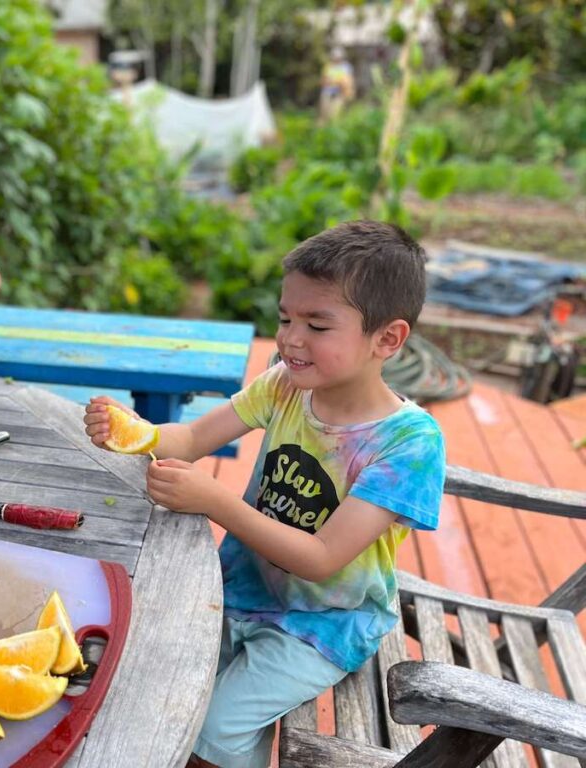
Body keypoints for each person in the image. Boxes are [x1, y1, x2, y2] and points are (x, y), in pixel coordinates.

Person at [84, 220, 445, 768]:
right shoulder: (284, 385)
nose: (290, 338)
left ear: (387, 339)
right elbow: (193, 438)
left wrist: (215, 501)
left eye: (317, 325)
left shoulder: (408, 444)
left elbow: (322, 560)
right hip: (241, 589)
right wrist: (137, 432)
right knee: (150, 684)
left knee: (212, 730)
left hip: (325, 620)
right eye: (285, 317)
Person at [319, 45, 355, 122]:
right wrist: (336, 81)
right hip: (327, 93)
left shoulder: (346, 67)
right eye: (335, 57)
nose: (337, 59)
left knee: (335, 114)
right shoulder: (328, 66)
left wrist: (348, 90)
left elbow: (348, 81)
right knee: (324, 114)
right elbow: (323, 81)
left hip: (340, 93)